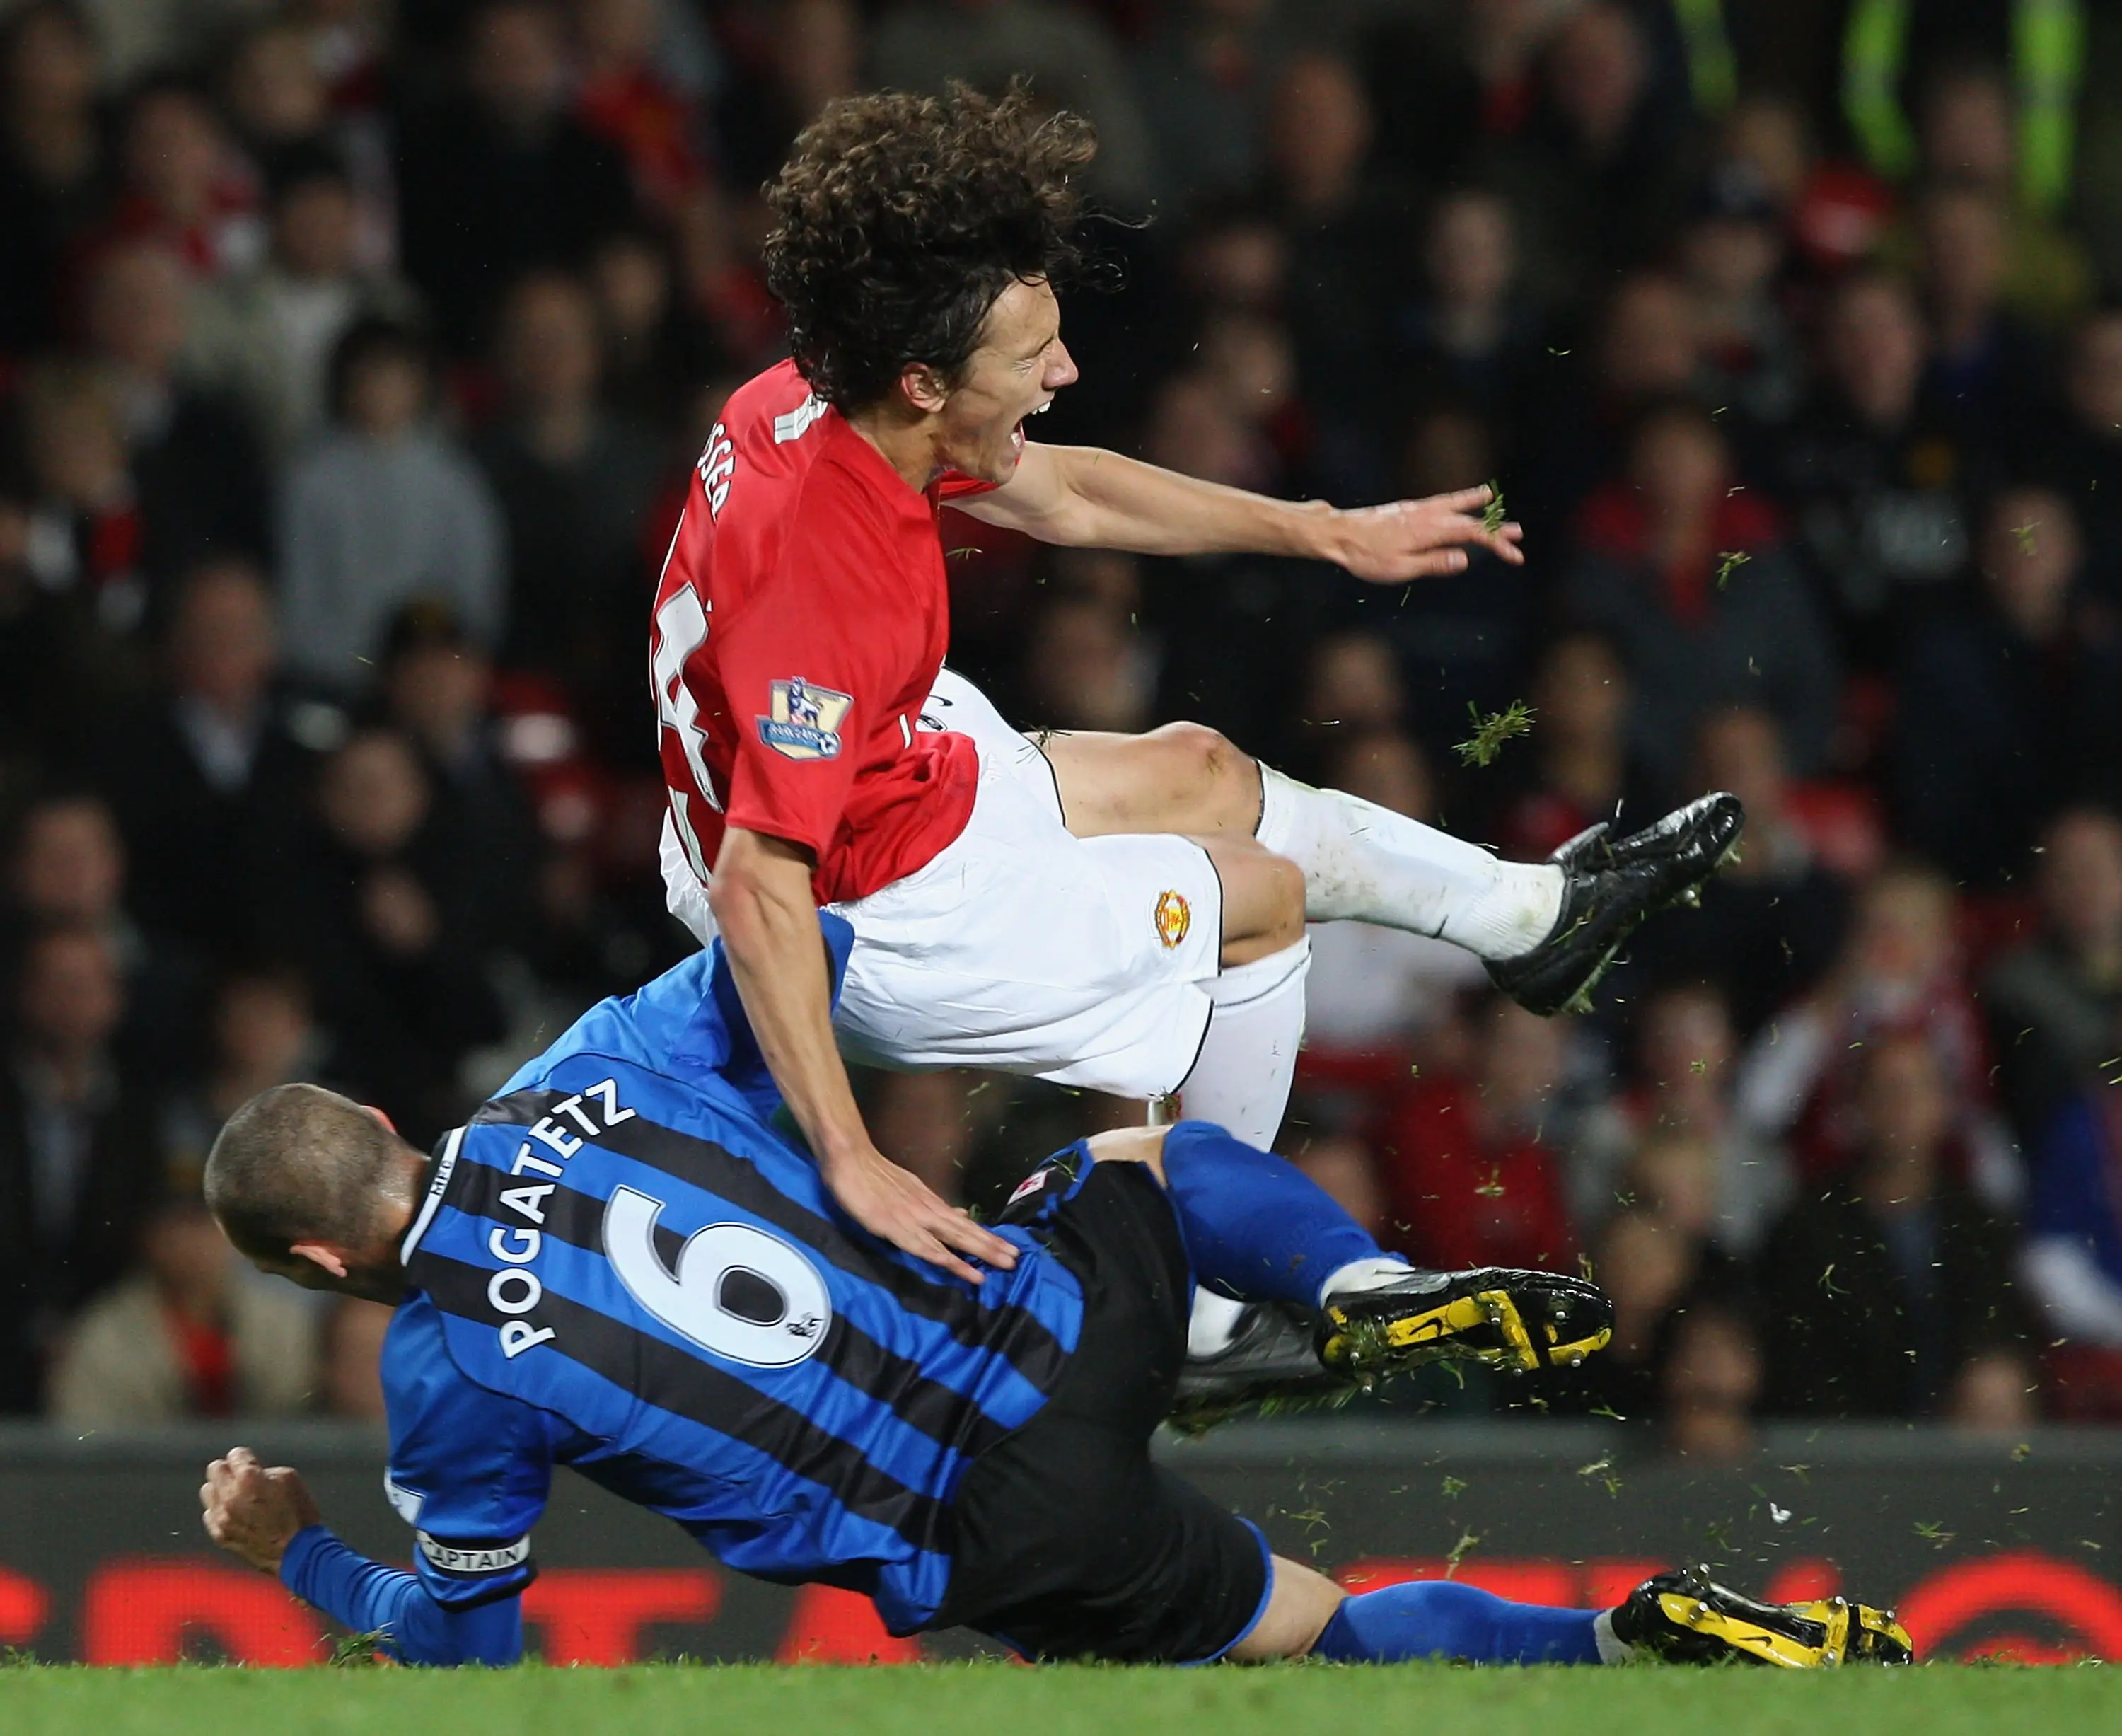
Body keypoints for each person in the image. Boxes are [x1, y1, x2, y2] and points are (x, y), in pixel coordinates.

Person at [650, 87, 1744, 1343]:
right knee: (1258, 899)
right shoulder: (827, 579)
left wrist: (1323, 532)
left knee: (1204, 769)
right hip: (869, 909)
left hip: (877, 775)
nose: (1064, 371)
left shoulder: (820, 393)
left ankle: (1529, 918)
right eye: (1031, 358)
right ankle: (1206, 1323)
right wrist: (847, 1152)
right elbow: (759, 886)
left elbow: (1066, 494)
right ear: (924, 381)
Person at [196, 918, 1908, 1670]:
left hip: (1001, 1532)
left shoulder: (444, 1380)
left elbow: (467, 1652)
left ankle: (1619, 1640)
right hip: (1048, 1326)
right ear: (377, 1120)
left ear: (322, 1266)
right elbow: (796, 948)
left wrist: (300, 1556)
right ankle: (1363, 1280)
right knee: (1136, 1161)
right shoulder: (584, 1066)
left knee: (1310, 1633)